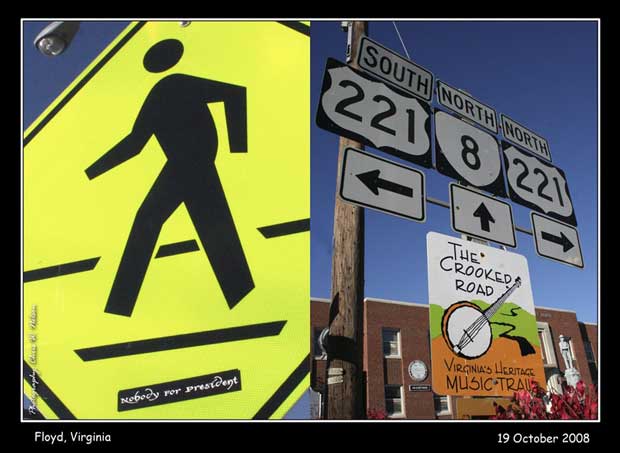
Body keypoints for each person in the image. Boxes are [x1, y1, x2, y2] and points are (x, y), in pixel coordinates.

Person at [86, 39, 254, 317]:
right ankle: (243, 296)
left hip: (190, 163)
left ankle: (119, 305)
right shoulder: (162, 91)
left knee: (149, 219)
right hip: (188, 164)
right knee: (213, 226)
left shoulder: (176, 84)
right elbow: (135, 143)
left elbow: (235, 94)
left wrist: (238, 149)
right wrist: (93, 171)